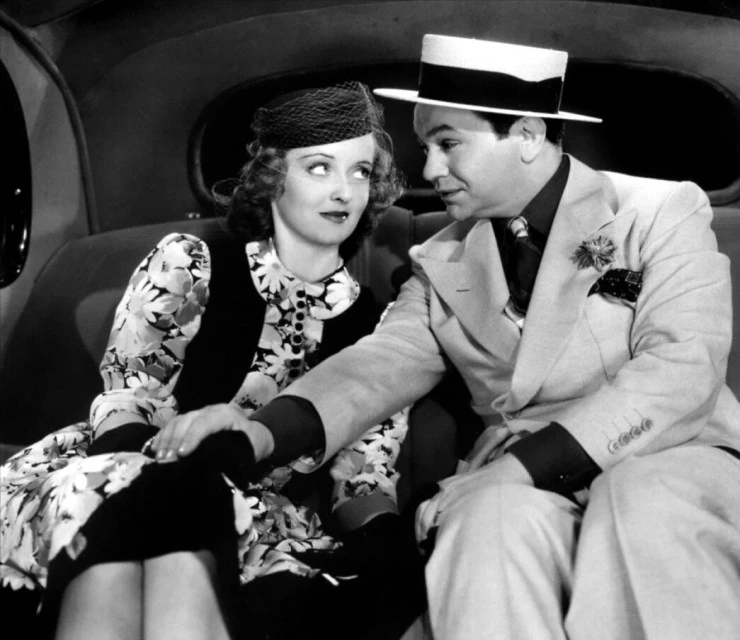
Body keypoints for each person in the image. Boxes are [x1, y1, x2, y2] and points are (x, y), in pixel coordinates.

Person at [165, 35, 740, 639]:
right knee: (484, 516)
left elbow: (681, 369)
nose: (430, 170)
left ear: (526, 135)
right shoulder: (442, 258)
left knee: (638, 498)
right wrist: (257, 431)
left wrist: (521, 468)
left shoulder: (660, 211)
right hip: (513, 483)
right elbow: (379, 364)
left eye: (448, 144)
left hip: (668, 456)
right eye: (426, 148)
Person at [0, 81, 424, 639]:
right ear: (273, 176)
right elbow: (129, 395)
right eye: (319, 168)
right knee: (130, 518)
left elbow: (363, 476)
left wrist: (392, 552)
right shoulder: (191, 261)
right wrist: (153, 483)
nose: (344, 191)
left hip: (254, 517)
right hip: (123, 461)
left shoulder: (379, 329)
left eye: (361, 172)